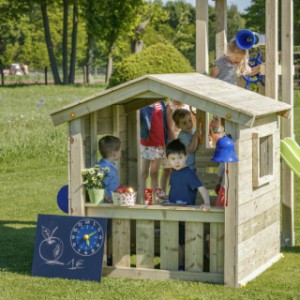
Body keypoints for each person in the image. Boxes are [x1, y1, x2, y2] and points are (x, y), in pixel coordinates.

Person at [166, 139, 210, 269]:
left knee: (185, 242)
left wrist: (207, 202)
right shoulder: (173, 174)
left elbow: (201, 188)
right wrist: (165, 198)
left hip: (186, 216)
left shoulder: (189, 173)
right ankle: (179, 264)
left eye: (180, 157)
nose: (177, 161)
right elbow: (175, 192)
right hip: (174, 214)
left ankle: (184, 265)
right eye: (173, 159)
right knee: (176, 241)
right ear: (168, 159)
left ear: (186, 156)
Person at [140, 101, 168, 202]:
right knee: (144, 173)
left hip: (159, 143)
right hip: (147, 143)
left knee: (154, 172)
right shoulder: (142, 105)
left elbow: (164, 122)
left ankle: (156, 200)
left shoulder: (161, 103)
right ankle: (142, 200)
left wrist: (166, 140)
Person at [98, 135, 122, 203]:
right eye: (120, 151)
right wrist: (107, 198)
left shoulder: (109, 164)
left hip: (113, 201)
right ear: (114, 154)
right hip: (106, 205)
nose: (121, 152)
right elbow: (98, 186)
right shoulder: (104, 168)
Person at [208, 118, 226, 206]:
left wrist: (218, 182)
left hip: (225, 185)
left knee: (220, 207)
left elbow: (221, 167)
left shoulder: (223, 146)